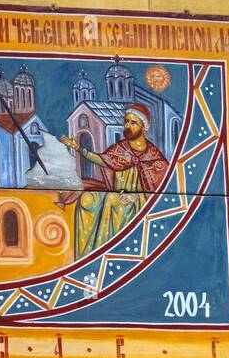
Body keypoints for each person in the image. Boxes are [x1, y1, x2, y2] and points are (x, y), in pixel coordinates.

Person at [60, 104, 169, 258]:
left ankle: (102, 254)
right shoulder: (121, 149)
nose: (128, 126)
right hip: (116, 193)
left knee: (112, 199)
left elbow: (163, 188)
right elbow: (102, 160)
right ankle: (84, 256)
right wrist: (78, 148)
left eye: (133, 123)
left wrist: (138, 197)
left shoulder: (154, 156)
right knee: (86, 199)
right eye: (126, 121)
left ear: (144, 127)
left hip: (137, 201)